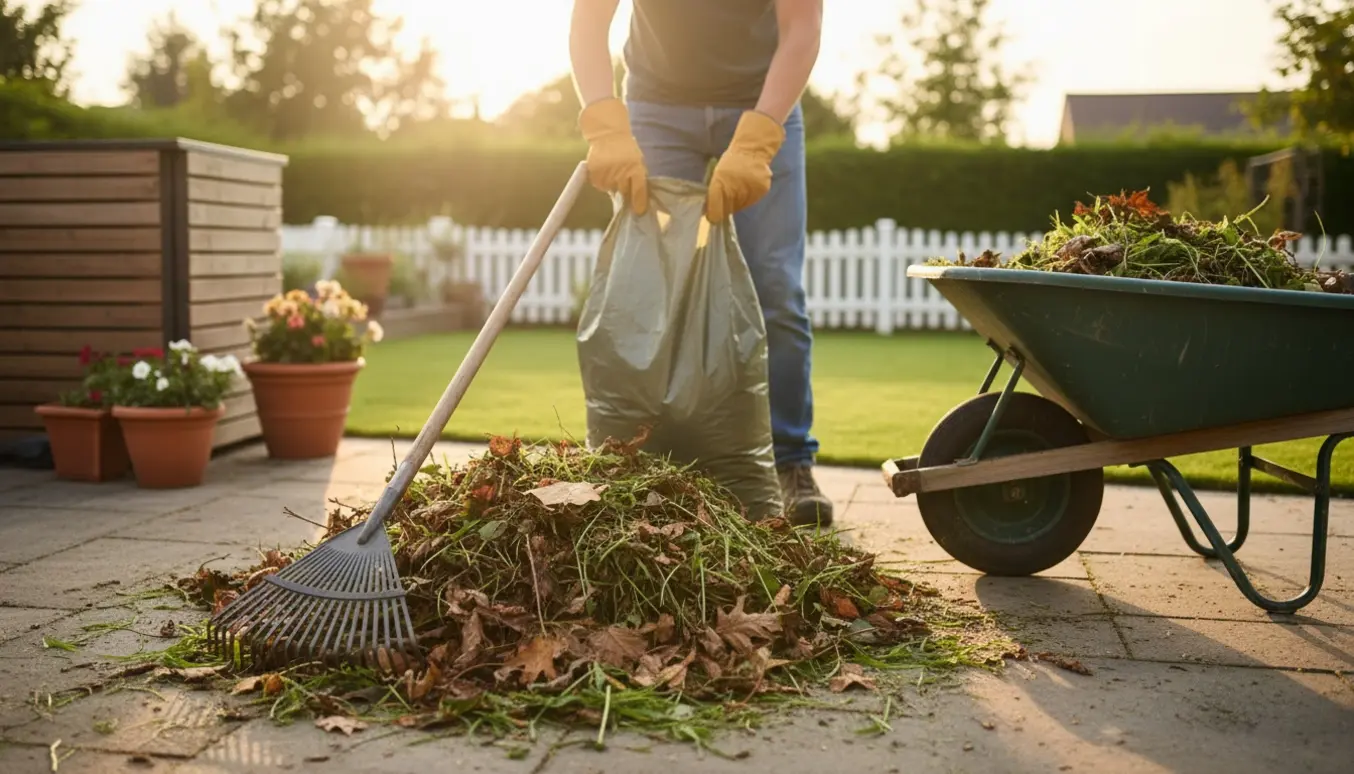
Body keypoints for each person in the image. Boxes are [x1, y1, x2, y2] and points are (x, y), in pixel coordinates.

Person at [568, 0, 832, 526]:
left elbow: (802, 29)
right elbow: (588, 22)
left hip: (761, 103)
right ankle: (638, 459)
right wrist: (603, 124)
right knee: (644, 288)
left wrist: (758, 140)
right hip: (656, 107)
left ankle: (791, 464)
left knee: (774, 285)